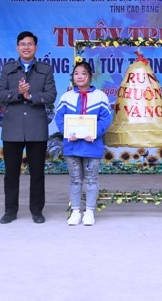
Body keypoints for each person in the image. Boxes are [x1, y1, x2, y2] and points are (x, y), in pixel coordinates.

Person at [0, 31, 57, 224]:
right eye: (22, 44)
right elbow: (0, 95)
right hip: (12, 128)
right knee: (11, 174)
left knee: (37, 173)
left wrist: (31, 96)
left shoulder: (45, 69)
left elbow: (51, 95)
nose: (26, 47)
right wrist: (18, 92)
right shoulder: (8, 69)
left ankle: (37, 211)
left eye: (30, 44)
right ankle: (10, 211)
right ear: (17, 47)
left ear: (36, 47)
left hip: (36, 128)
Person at [55, 61, 112, 226]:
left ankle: (89, 212)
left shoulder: (100, 97)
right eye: (76, 74)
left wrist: (95, 132)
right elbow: (59, 117)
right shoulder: (66, 97)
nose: (79, 77)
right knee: (75, 180)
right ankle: (75, 212)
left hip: (92, 146)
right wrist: (67, 132)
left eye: (83, 73)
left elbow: (106, 117)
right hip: (72, 146)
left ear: (90, 76)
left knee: (91, 180)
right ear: (73, 77)